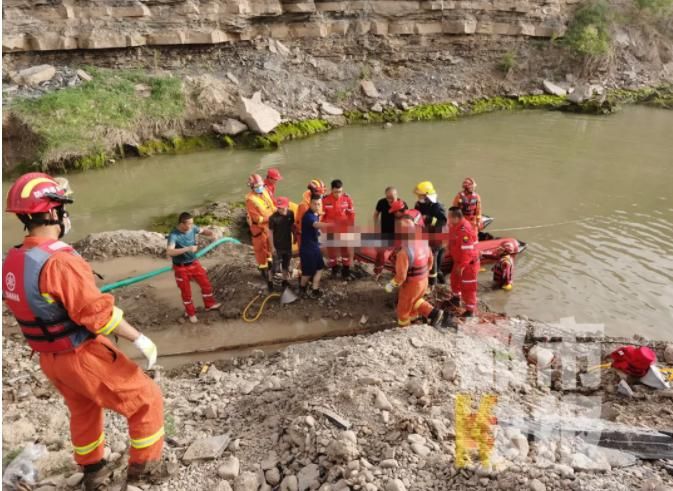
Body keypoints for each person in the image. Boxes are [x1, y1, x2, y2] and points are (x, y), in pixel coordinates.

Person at [2, 173, 166, 489]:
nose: (65, 214)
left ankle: (93, 471)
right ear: (52, 213)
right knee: (147, 398)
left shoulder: (14, 259)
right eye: (62, 208)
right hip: (80, 353)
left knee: (84, 409)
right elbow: (98, 316)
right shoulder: (60, 262)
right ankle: (145, 470)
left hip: (50, 357)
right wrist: (139, 338)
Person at [383, 212, 444, 327]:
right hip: (423, 281)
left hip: (411, 285)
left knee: (403, 310)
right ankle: (433, 314)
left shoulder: (404, 253)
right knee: (415, 302)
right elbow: (430, 262)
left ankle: (405, 328)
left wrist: (391, 285)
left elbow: (401, 277)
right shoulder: (423, 243)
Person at [167, 212, 222, 323]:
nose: (192, 226)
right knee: (186, 292)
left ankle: (209, 304)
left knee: (206, 285)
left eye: (192, 224)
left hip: (194, 263)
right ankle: (190, 313)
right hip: (181, 267)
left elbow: (202, 231)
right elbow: (169, 251)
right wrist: (187, 249)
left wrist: (212, 233)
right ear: (182, 224)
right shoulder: (174, 235)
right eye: (189, 224)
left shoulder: (193, 228)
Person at [246, 173, 277, 291]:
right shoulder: (250, 200)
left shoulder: (264, 192)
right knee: (261, 251)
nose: (260, 187)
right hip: (259, 230)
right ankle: (263, 271)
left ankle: (270, 268)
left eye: (261, 185)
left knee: (270, 249)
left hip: (269, 227)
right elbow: (256, 219)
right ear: (252, 187)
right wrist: (270, 218)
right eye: (257, 186)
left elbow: (271, 205)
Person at [447, 207, 480, 317]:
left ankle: (470, 310)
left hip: (468, 264)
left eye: (450, 217)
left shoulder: (465, 230)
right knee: (454, 280)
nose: (448, 219)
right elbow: (452, 242)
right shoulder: (455, 226)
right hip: (458, 260)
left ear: (456, 217)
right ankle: (456, 298)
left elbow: (468, 252)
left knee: (468, 286)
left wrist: (461, 266)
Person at [413, 181, 447, 286]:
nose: (418, 197)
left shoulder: (437, 206)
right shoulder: (419, 204)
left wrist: (428, 219)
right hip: (425, 234)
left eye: (420, 195)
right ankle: (439, 276)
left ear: (427, 195)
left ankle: (433, 284)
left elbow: (442, 222)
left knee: (434, 258)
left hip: (436, 236)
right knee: (433, 259)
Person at [322, 179, 356, 280]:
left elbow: (351, 215)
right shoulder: (325, 200)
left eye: (340, 191)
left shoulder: (347, 199)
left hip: (344, 229)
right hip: (331, 230)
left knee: (345, 252)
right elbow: (322, 216)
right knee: (331, 252)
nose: (338, 194)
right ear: (331, 190)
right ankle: (334, 270)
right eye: (336, 192)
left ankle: (346, 272)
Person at [373, 187, 407, 278]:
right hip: (384, 232)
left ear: (397, 195)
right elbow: (376, 215)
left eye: (392, 197)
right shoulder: (382, 202)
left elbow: (407, 219)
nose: (390, 199)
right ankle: (377, 272)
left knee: (397, 255)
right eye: (388, 197)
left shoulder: (402, 204)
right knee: (380, 254)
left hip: (397, 234)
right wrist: (376, 227)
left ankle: (395, 272)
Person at [300, 196, 330, 297]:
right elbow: (316, 225)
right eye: (315, 204)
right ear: (310, 204)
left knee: (320, 268)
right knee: (307, 273)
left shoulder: (315, 214)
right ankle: (302, 288)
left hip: (315, 247)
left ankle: (315, 289)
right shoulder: (308, 216)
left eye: (319, 204)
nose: (317, 206)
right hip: (307, 249)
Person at [269, 197, 296, 289]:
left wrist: (295, 236)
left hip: (287, 245)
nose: (281, 209)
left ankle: (285, 281)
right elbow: (270, 233)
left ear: (287, 206)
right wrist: (272, 247)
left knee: (286, 265)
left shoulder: (290, 214)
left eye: (283, 207)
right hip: (277, 247)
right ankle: (270, 283)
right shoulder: (273, 218)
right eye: (279, 208)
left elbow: (292, 226)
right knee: (275, 268)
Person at [295, 179, 326, 248]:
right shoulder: (304, 206)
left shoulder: (318, 201)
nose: (322, 193)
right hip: (305, 236)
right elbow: (300, 225)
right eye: (320, 191)